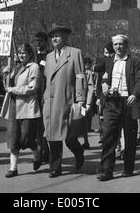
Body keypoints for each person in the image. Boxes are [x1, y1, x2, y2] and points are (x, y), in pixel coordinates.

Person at [97, 34, 140, 181]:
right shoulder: (108, 62)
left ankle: (128, 168)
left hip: (128, 102)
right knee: (108, 136)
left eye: (121, 44)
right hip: (112, 102)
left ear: (126, 46)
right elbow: (103, 75)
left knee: (130, 137)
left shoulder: (135, 61)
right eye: (116, 45)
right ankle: (107, 170)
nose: (118, 47)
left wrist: (135, 94)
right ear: (113, 47)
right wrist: (105, 83)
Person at [43, 23, 86, 178]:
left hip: (66, 100)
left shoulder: (75, 53)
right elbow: (47, 80)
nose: (54, 38)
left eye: (58, 35)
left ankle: (78, 150)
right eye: (52, 36)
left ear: (66, 37)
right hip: (50, 102)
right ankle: (55, 167)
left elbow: (81, 77)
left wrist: (80, 99)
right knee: (52, 136)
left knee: (68, 137)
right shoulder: (48, 57)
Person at [0, 43, 42, 177]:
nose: (22, 55)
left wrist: (13, 90)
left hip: (27, 108)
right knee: (13, 139)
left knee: (26, 139)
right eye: (20, 52)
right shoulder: (15, 67)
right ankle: (13, 168)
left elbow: (32, 88)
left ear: (30, 54)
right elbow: (6, 87)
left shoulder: (34, 67)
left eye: (24, 52)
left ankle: (36, 154)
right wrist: (5, 75)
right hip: (14, 107)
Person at [35, 31, 50, 163]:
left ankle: (45, 152)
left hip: (45, 94)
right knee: (37, 127)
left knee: (44, 126)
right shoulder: (33, 56)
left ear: (45, 41)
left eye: (40, 41)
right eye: (36, 41)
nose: (38, 43)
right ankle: (42, 151)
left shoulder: (49, 56)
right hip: (34, 95)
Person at [82, 57, 95, 149]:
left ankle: (86, 141)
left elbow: (91, 88)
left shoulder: (88, 73)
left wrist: (88, 102)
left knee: (83, 121)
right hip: (75, 100)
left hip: (84, 101)